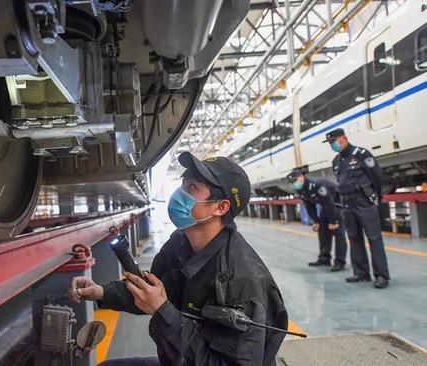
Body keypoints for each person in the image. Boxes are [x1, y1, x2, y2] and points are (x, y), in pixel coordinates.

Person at [68, 152, 288, 365]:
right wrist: (102, 292)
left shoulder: (242, 282)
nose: (180, 193)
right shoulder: (181, 243)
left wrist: (162, 311)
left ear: (221, 207)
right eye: (184, 184)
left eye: (192, 188)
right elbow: (151, 291)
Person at [325, 128, 390, 289]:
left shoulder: (362, 154)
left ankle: (382, 275)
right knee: (354, 238)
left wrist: (376, 198)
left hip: (364, 202)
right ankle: (361, 273)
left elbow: (378, 177)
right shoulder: (336, 161)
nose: (332, 145)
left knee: (374, 238)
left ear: (344, 138)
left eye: (334, 141)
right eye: (330, 143)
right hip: (347, 205)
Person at [286, 167, 347, 271]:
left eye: (295, 181)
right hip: (326, 206)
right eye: (292, 182)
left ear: (302, 177)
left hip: (337, 204)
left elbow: (329, 202)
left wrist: (333, 221)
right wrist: (316, 221)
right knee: (323, 231)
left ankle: (340, 262)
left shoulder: (316, 185)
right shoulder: (301, 189)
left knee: (338, 234)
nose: (294, 184)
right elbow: (309, 205)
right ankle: (324, 258)